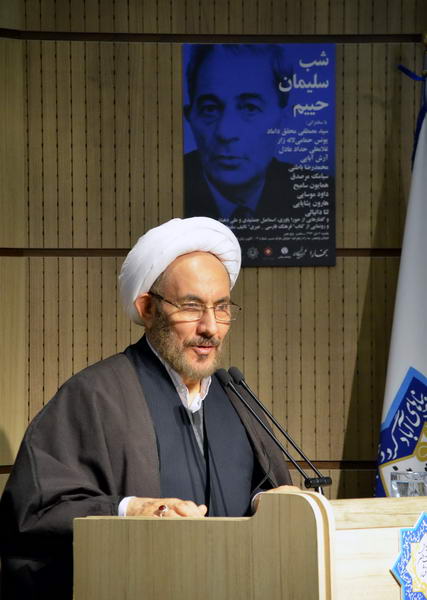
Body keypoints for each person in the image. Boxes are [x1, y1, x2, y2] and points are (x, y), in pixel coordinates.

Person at [0, 217, 292, 600]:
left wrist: (269, 502)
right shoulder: (94, 395)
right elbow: (35, 512)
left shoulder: (234, 396)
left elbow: (261, 488)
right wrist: (129, 510)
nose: (211, 327)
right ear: (148, 309)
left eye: (221, 308)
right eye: (191, 307)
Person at [184, 44, 297, 220]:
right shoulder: (166, 187)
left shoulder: (320, 196)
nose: (225, 133)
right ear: (190, 116)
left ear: (283, 119)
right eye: (210, 109)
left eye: (250, 108)